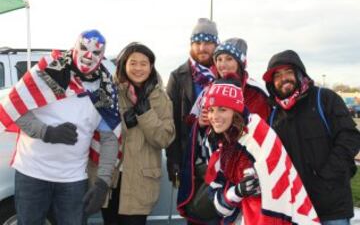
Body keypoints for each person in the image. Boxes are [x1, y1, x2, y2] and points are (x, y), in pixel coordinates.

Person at [0, 29, 121, 225]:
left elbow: (109, 138)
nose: (89, 56)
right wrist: (46, 132)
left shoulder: (105, 87)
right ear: (75, 46)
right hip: (32, 173)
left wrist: (102, 182)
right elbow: (13, 107)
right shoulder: (48, 69)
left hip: (73, 179)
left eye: (96, 52)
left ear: (103, 54)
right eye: (84, 48)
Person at [201, 76, 320, 225]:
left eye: (222, 109)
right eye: (211, 110)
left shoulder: (258, 134)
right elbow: (218, 200)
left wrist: (261, 184)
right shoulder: (213, 142)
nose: (214, 117)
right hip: (235, 219)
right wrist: (237, 192)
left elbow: (280, 189)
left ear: (236, 111)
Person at [177, 38, 271, 223]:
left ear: (240, 62)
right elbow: (192, 125)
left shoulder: (255, 92)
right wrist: (201, 124)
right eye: (219, 59)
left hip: (242, 174)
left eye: (229, 59)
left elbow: (259, 133)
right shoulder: (208, 89)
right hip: (210, 170)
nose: (223, 64)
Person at [262, 50, 360, 225]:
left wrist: (326, 176)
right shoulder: (274, 115)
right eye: (277, 75)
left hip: (332, 207)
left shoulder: (325, 99)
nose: (283, 78)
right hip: (297, 209)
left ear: (300, 74)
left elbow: (350, 138)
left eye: (288, 72)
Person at [99, 42, 175, 225]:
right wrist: (126, 122)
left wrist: (146, 115)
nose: (138, 68)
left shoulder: (160, 97)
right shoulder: (111, 92)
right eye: (133, 63)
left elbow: (165, 138)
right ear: (124, 65)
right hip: (112, 178)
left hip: (140, 180)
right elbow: (99, 131)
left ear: (151, 67)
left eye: (144, 63)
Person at [166, 17, 219, 189]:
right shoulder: (177, 76)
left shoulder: (225, 73)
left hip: (222, 159)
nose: (202, 48)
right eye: (197, 42)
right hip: (189, 159)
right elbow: (171, 121)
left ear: (216, 44)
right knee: (194, 211)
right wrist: (173, 162)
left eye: (207, 42)